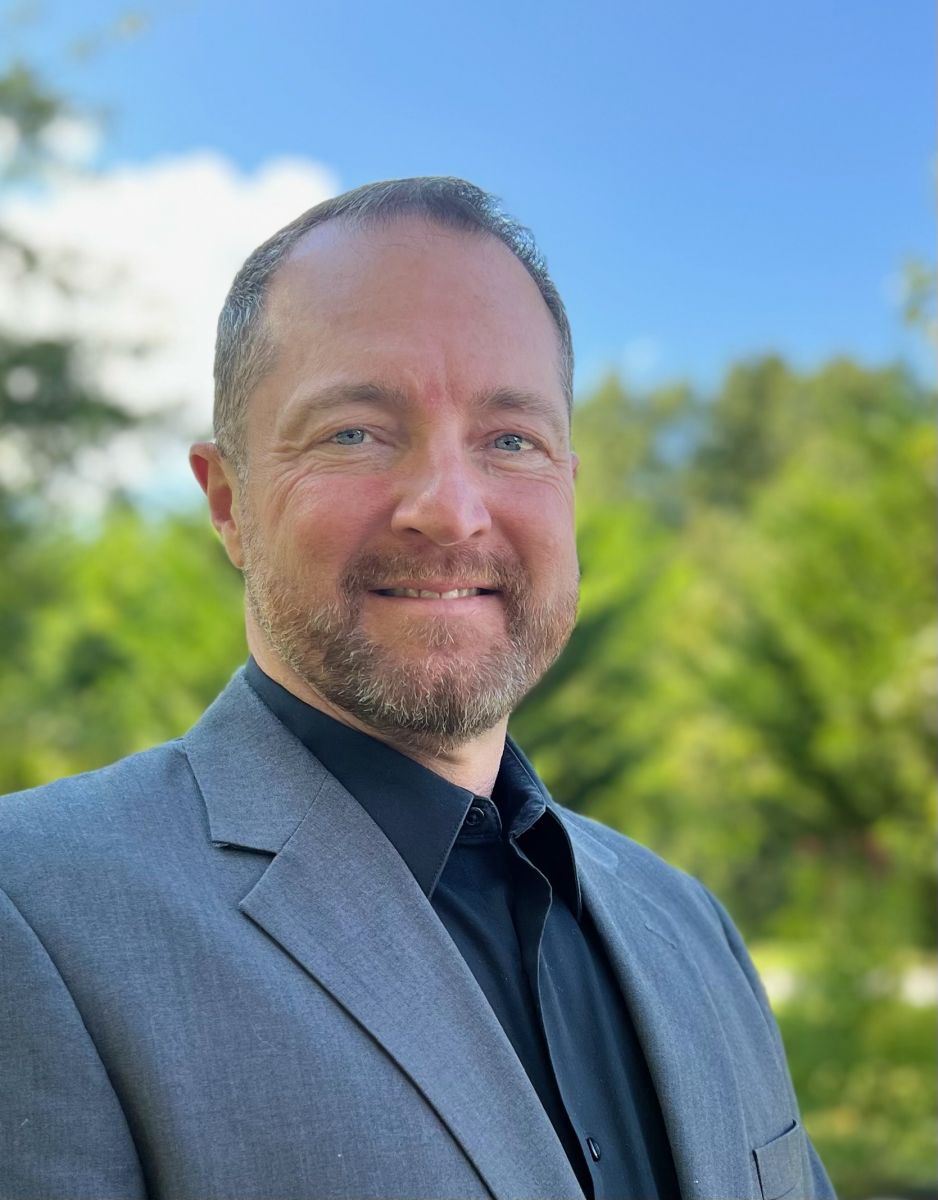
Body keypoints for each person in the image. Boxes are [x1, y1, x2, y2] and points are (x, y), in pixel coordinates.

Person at [0, 177, 835, 1200]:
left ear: (567, 491)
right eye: (355, 432)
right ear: (228, 502)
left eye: (510, 440)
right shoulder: (33, 915)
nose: (448, 512)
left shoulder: (688, 925)